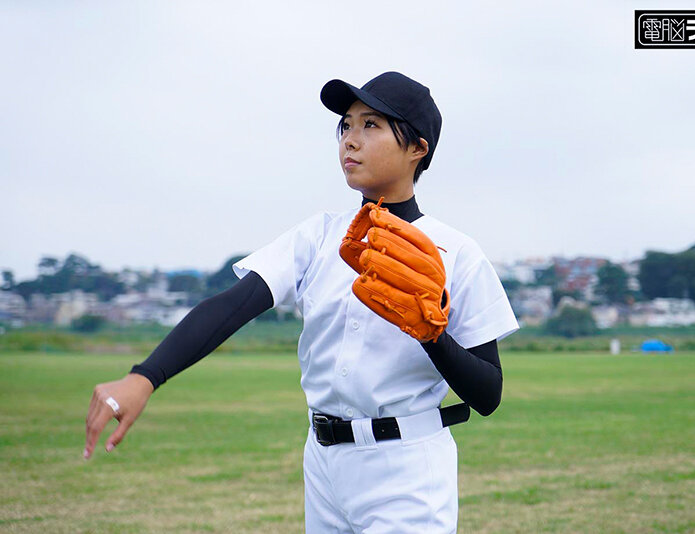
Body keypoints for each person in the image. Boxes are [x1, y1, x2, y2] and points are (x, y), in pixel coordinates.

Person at [84, 71, 519, 532]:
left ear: (418, 148)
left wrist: (431, 336)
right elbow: (233, 305)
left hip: (407, 469)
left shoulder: (457, 254)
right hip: (324, 463)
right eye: (346, 125)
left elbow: (488, 393)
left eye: (371, 125)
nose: (350, 140)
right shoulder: (318, 237)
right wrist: (145, 377)